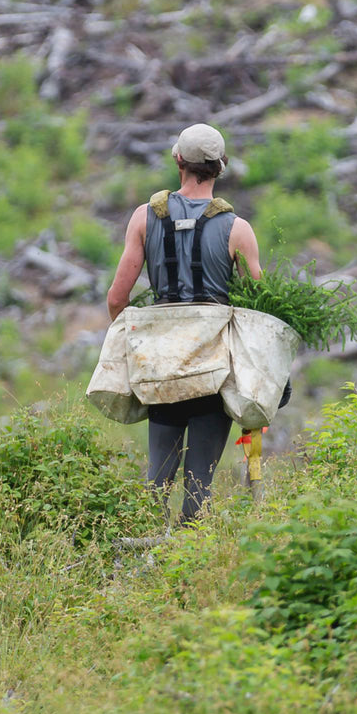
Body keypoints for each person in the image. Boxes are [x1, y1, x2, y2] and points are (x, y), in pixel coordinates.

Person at [106, 123, 262, 523]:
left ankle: (139, 560)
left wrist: (133, 350)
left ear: (178, 160)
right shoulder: (238, 230)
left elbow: (116, 299)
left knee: (155, 483)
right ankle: (189, 566)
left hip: (161, 369)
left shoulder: (144, 219)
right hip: (211, 372)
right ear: (220, 167)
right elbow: (257, 315)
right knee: (199, 487)